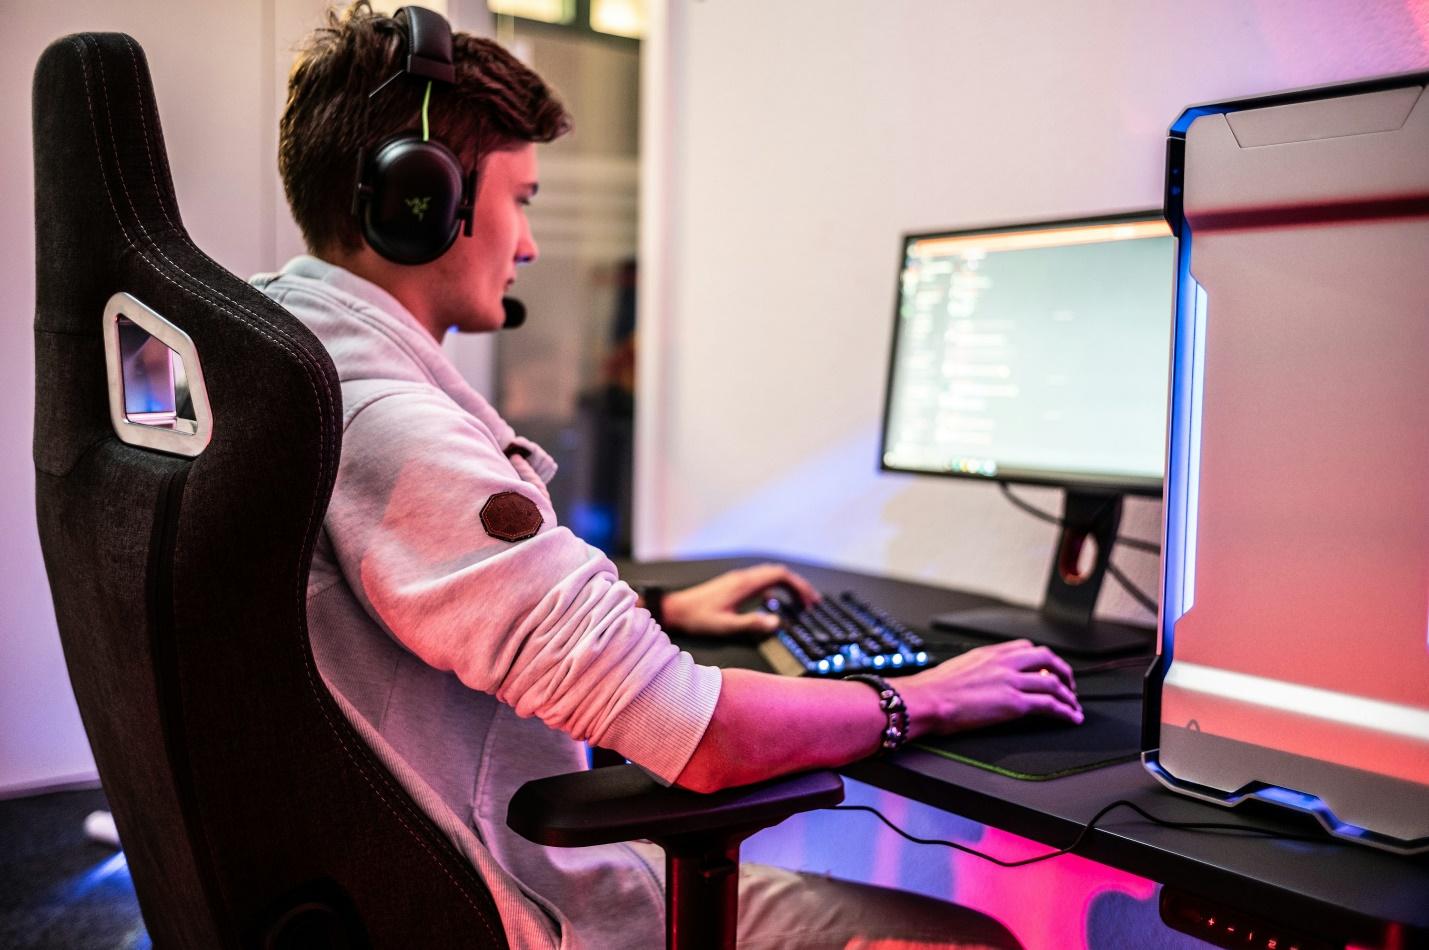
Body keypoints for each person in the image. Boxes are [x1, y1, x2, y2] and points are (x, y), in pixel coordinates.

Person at [257, 5, 1082, 947]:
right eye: (520, 198)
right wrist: (930, 696)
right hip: (518, 907)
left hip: (392, 888)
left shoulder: (283, 365)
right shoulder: (390, 424)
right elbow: (703, 738)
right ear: (421, 198)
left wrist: (660, 612)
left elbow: (416, 609)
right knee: (973, 941)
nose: (526, 244)